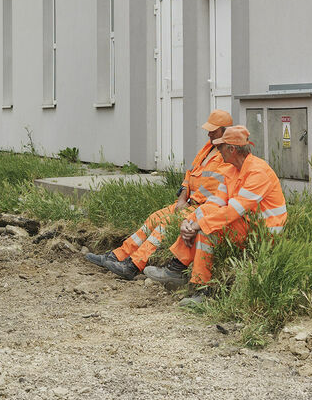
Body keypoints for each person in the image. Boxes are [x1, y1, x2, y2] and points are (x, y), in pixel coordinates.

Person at [84, 109, 235, 280]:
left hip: (202, 208)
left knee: (164, 225)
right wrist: (182, 198)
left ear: (225, 131)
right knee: (153, 219)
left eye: (213, 130)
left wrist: (188, 203)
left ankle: (134, 265)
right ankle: (118, 255)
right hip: (188, 202)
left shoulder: (227, 155)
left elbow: (213, 190)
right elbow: (190, 175)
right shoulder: (207, 149)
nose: (209, 133)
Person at [145, 125, 287, 305]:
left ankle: (204, 291)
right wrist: (188, 222)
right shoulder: (231, 170)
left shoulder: (258, 172)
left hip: (263, 232)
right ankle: (176, 269)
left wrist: (199, 225)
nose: (217, 151)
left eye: (220, 147)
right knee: (204, 213)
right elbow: (215, 202)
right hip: (246, 221)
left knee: (208, 231)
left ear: (232, 149)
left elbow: (233, 210)